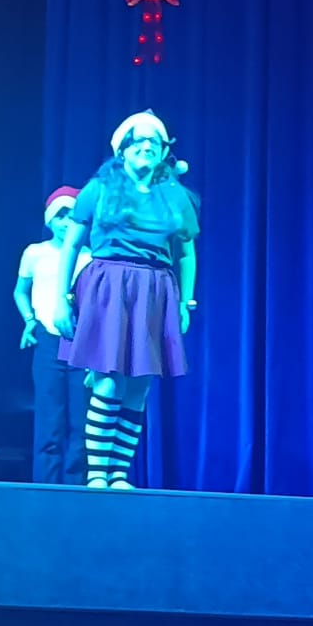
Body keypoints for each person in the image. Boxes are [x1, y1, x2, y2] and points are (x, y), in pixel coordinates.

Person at [53, 112, 199, 490]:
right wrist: (60, 298)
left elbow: (186, 253)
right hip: (110, 285)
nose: (146, 147)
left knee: (139, 386)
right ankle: (97, 474)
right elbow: (71, 244)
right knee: (107, 382)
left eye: (154, 142)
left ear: (164, 152)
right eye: (138, 141)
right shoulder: (99, 189)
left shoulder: (175, 197)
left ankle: (118, 473)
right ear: (123, 149)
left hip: (154, 288)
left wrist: (185, 302)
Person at [14, 186, 90, 484]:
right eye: (60, 216)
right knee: (49, 419)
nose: (66, 223)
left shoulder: (90, 256)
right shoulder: (36, 253)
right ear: (49, 220)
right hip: (48, 341)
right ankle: (45, 487)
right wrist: (29, 320)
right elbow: (20, 291)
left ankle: (76, 490)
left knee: (81, 422)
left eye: (72, 217)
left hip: (83, 344)